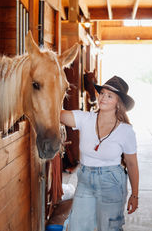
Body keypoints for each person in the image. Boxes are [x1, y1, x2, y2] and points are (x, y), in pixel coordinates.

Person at [60, 76, 139, 231]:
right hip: (85, 179)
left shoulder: (126, 131)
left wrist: (135, 195)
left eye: (110, 96)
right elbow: (59, 114)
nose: (103, 98)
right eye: (102, 93)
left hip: (112, 180)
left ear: (119, 103)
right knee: (77, 227)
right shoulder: (86, 118)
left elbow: (131, 164)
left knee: (109, 228)